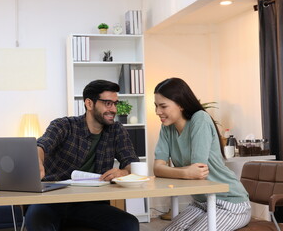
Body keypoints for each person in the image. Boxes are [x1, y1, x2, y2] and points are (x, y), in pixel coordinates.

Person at [25, 79, 140, 231]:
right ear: (89, 104)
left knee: (129, 224)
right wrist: (38, 162)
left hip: (91, 204)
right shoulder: (64, 125)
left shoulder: (116, 130)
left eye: (115, 103)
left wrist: (124, 172)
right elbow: (41, 145)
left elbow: (132, 162)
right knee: (40, 223)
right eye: (108, 103)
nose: (113, 109)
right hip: (51, 201)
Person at [153, 78, 251, 231]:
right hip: (201, 203)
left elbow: (198, 172)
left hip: (230, 203)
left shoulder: (200, 119)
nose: (158, 112)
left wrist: (174, 171)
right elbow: (157, 169)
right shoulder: (167, 128)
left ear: (180, 104)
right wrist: (186, 172)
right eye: (156, 106)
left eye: (163, 106)